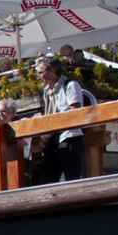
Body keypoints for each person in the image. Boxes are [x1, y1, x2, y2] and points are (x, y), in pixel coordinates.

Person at [38, 53, 86, 183]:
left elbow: (75, 111)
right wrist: (46, 137)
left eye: (40, 72)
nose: (38, 76)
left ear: (52, 71)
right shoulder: (47, 92)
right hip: (53, 141)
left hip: (70, 136)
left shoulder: (70, 85)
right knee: (47, 179)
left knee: (72, 178)